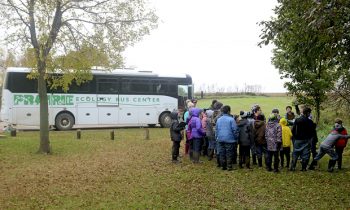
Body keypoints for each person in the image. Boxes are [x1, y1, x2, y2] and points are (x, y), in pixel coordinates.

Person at [216, 105, 238, 171]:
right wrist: (236, 138)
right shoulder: (231, 119)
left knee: (222, 153)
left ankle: (223, 166)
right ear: (228, 111)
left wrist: (217, 137)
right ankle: (229, 167)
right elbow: (235, 130)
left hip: (220, 139)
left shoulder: (219, 119)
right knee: (229, 153)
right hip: (230, 139)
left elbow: (216, 130)